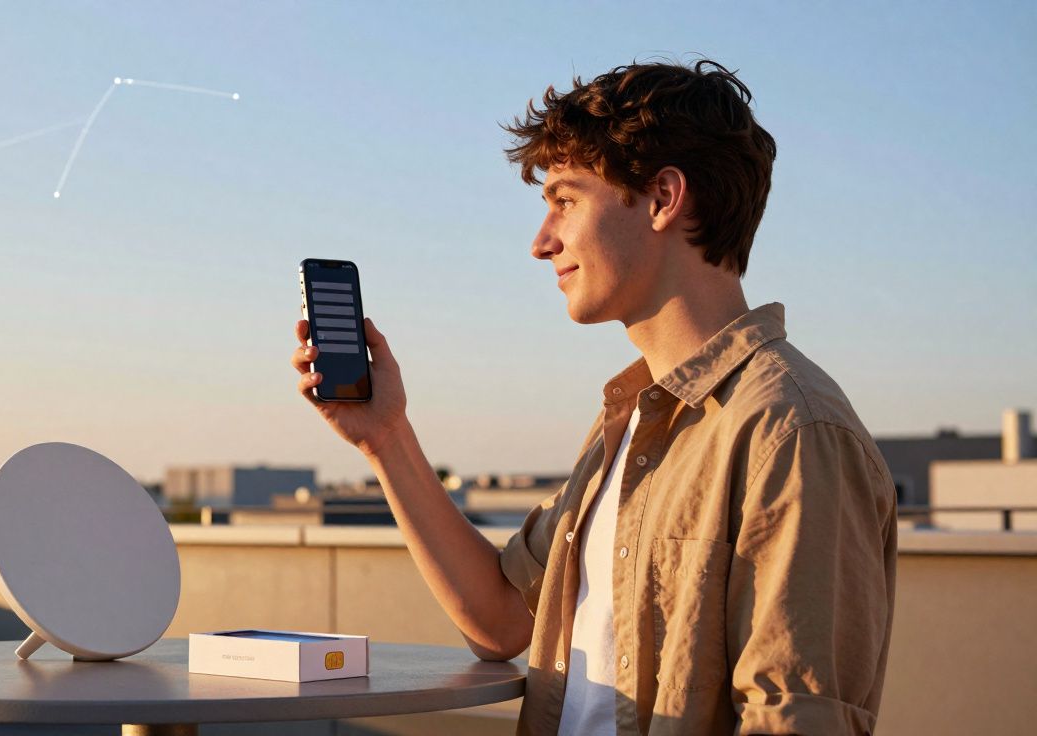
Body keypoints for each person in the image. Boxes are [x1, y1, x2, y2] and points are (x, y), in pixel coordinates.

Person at [290, 58, 896, 736]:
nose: (541, 242)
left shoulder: (789, 430)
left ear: (664, 198)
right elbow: (498, 618)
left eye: (565, 200)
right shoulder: (632, 419)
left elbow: (795, 720)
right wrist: (386, 438)